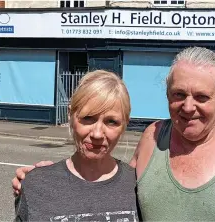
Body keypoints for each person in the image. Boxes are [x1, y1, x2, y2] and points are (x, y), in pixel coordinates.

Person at [13, 47, 215, 221]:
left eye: (202, 96)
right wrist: (46, 178)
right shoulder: (153, 137)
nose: (188, 107)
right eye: (179, 95)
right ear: (167, 94)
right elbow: (102, 180)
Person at [14, 70, 139, 221]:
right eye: (88, 118)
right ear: (70, 115)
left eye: (111, 121)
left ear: (125, 125)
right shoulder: (37, 184)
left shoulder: (139, 187)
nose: (97, 134)